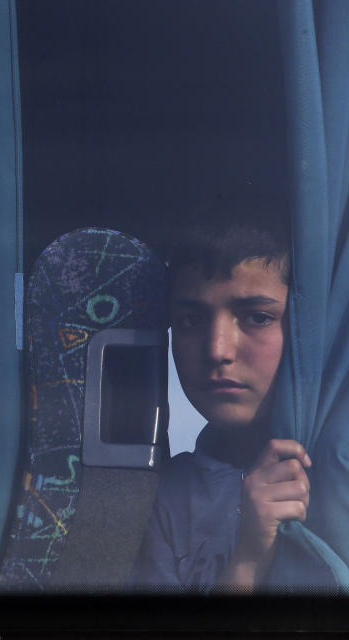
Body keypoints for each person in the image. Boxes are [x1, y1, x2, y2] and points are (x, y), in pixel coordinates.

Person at [129, 214, 311, 592]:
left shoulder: (334, 471)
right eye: (191, 320)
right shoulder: (163, 498)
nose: (217, 350)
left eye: (257, 318)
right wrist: (248, 561)